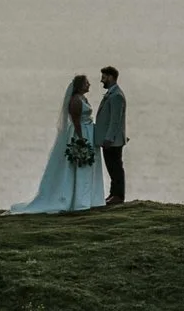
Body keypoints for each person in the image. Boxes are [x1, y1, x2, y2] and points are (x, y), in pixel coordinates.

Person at [9, 73, 103, 214]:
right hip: (81, 133)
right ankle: (78, 200)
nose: (89, 85)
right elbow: (76, 121)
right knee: (79, 166)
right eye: (86, 83)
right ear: (80, 85)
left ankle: (87, 198)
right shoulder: (76, 101)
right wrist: (81, 139)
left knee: (87, 166)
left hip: (88, 131)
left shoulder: (83, 98)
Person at [94, 66, 128, 205]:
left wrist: (109, 138)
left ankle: (118, 195)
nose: (102, 80)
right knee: (112, 168)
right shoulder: (111, 93)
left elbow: (115, 120)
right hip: (109, 139)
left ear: (111, 77)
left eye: (104, 77)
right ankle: (113, 193)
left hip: (112, 141)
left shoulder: (116, 96)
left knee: (116, 168)